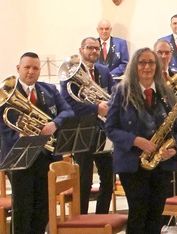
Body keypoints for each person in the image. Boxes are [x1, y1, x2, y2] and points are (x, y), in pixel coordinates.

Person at [0, 52, 75, 234]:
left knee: (43, 207)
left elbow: (68, 111)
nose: (31, 71)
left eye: (35, 68)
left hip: (45, 157)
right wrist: (17, 136)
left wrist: (54, 123)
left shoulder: (49, 90)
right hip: (18, 157)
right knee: (23, 208)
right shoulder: (4, 93)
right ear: (18, 68)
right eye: (27, 67)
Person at [104, 48, 177, 233]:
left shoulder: (166, 92)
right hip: (132, 164)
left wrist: (173, 147)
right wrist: (136, 140)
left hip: (162, 163)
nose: (147, 67)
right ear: (134, 66)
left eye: (151, 62)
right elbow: (110, 129)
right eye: (142, 62)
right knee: (138, 213)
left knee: (157, 215)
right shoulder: (121, 91)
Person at [60, 37, 115, 215]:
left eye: (97, 49)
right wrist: (96, 108)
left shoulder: (104, 71)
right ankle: (82, 221)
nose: (93, 52)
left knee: (108, 180)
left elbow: (113, 95)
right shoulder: (70, 73)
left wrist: (109, 105)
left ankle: (101, 218)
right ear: (81, 49)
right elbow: (69, 102)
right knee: (84, 181)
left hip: (105, 132)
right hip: (83, 132)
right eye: (90, 48)